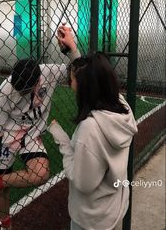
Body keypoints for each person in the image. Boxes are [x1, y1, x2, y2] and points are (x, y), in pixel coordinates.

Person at [0, 24, 81, 229]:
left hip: (32, 135)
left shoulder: (49, 72)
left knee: (40, 174)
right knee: (3, 191)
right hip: (8, 137)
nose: (20, 92)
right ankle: (6, 225)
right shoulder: (3, 93)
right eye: (17, 88)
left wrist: (71, 48)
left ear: (38, 79)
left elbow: (79, 70)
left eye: (25, 90)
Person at [48, 52, 138, 230]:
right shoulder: (123, 110)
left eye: (71, 79)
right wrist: (75, 53)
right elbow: (95, 78)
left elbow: (83, 184)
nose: (70, 82)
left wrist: (63, 141)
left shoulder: (90, 129)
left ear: (85, 88)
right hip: (114, 207)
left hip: (91, 220)